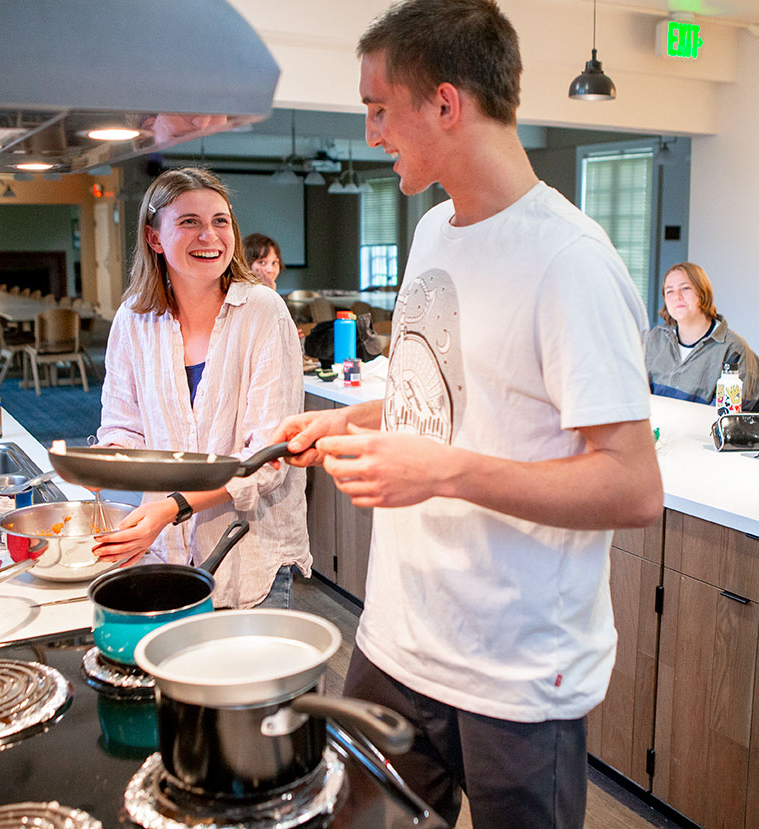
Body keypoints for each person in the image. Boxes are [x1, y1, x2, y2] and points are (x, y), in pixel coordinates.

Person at [270, 1, 663, 827]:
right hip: (396, 639)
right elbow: (452, 395)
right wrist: (359, 418)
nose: (370, 130)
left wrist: (444, 471)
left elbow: (632, 487)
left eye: (379, 108)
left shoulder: (571, 264)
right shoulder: (435, 231)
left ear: (445, 103)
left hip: (515, 676)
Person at [91, 167, 310, 609]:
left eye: (220, 221)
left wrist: (171, 507)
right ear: (154, 238)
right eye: (189, 222)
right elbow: (125, 429)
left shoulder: (263, 312)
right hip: (164, 550)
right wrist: (98, 463)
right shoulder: (134, 320)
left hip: (250, 551)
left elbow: (268, 458)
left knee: (246, 677)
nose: (209, 236)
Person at [645, 261, 759, 409]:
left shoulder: (734, 349)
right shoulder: (655, 338)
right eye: (669, 291)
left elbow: (732, 422)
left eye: (685, 288)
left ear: (702, 293)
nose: (677, 296)